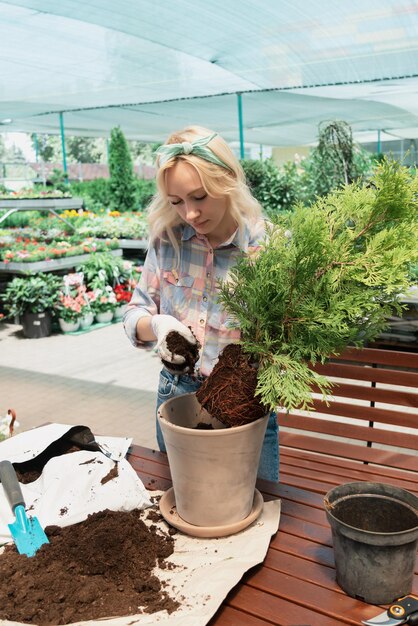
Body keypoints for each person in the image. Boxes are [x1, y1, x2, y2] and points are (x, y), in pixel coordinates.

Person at [123, 126, 279, 482]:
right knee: (186, 499)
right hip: (177, 395)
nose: (189, 214)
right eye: (177, 202)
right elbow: (135, 313)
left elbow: (294, 334)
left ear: (227, 181)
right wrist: (159, 326)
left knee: (260, 506)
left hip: (245, 404)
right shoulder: (168, 241)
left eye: (200, 197)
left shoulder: (266, 246)